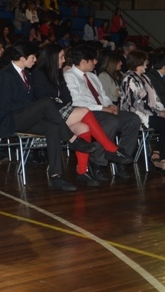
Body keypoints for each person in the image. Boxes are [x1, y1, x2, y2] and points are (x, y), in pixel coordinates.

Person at [0, 41, 98, 191]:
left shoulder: (26, 75)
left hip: (24, 117)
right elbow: (5, 106)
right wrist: (33, 108)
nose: (35, 60)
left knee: (52, 127)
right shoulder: (6, 75)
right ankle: (72, 139)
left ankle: (56, 176)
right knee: (46, 102)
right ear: (22, 58)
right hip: (9, 119)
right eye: (32, 57)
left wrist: (34, 109)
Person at [33, 44, 126, 186]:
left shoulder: (58, 73)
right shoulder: (39, 74)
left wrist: (57, 99)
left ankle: (82, 172)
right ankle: (110, 147)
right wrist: (58, 100)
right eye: (61, 57)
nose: (64, 60)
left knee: (84, 128)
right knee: (85, 111)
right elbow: (43, 99)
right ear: (52, 57)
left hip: (61, 111)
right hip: (47, 115)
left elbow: (67, 97)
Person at [64, 44, 140, 179]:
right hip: (86, 112)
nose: (96, 62)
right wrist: (102, 108)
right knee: (110, 121)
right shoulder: (69, 76)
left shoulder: (92, 76)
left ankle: (121, 159)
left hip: (102, 109)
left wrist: (110, 105)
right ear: (84, 61)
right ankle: (97, 162)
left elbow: (103, 96)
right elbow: (76, 101)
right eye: (93, 59)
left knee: (132, 119)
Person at [120, 50, 165, 169]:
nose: (147, 64)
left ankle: (157, 153)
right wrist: (159, 113)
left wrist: (162, 110)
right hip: (136, 115)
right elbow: (137, 104)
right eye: (145, 61)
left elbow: (155, 98)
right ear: (139, 62)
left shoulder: (145, 77)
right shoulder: (129, 79)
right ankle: (160, 156)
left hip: (151, 113)